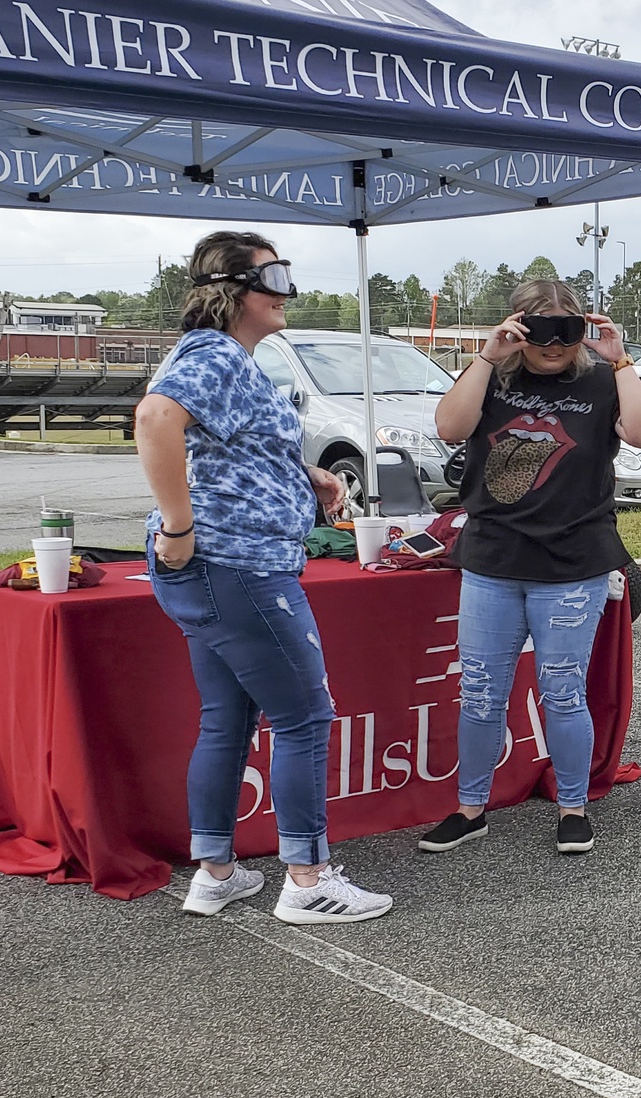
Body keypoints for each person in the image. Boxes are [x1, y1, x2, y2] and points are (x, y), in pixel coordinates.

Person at [135, 230, 393, 925]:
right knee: (305, 716)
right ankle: (309, 880)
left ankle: (216, 872)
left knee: (228, 717)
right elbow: (156, 419)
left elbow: (226, 446)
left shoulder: (234, 361)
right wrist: (178, 525)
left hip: (227, 568)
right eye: (272, 278)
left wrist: (302, 475)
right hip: (238, 567)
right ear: (229, 290)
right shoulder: (214, 353)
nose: (287, 293)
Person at [416, 279, 641, 856]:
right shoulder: (495, 378)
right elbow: (448, 428)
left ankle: (573, 807)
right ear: (518, 326)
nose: (553, 345)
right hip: (494, 558)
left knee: (562, 691)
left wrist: (619, 358)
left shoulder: (602, 381)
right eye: (539, 330)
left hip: (573, 561)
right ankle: (470, 807)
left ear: (583, 328)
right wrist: (486, 355)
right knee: (479, 691)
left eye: (565, 330)